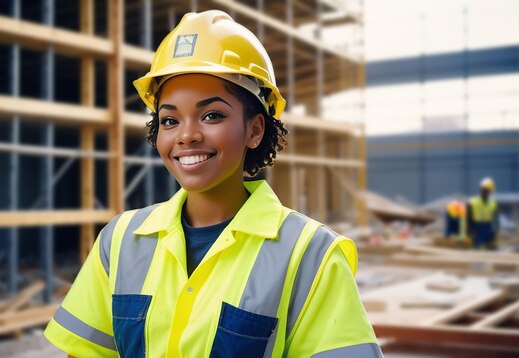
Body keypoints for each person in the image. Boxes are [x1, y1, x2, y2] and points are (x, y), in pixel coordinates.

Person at [44, 10, 381, 357]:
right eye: (170, 119)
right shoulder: (119, 241)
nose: (187, 135)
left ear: (255, 130)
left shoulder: (311, 255)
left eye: (212, 115)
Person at [467, 177, 499, 250]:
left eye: (488, 190)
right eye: (484, 190)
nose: (486, 192)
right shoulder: (472, 202)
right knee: (476, 249)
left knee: (489, 249)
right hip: (477, 228)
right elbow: (468, 218)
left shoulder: (493, 203)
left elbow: (496, 220)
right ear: (481, 189)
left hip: (488, 228)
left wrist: (494, 233)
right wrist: (470, 231)